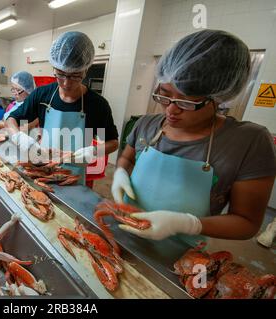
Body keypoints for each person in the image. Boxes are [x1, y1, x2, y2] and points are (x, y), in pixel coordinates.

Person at [111, 29, 276, 242]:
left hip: (183, 256)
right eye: (165, 94)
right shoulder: (146, 124)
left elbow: (247, 222)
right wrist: (120, 173)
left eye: (187, 101)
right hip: (126, 231)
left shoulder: (249, 142)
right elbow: (127, 158)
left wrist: (188, 223)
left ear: (219, 98)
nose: (171, 110)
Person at [5, 31, 119, 185]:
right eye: (60, 74)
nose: (66, 83)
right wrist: (20, 138)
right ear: (54, 68)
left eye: (75, 76)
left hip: (74, 175)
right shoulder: (42, 94)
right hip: (42, 168)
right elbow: (11, 120)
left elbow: (113, 142)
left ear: (86, 70)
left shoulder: (98, 104)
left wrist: (93, 151)